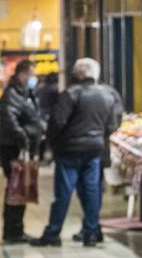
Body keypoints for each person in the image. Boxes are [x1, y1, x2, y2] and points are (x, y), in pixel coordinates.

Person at [37, 58, 123, 247]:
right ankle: (91, 232)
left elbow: (57, 122)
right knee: (92, 191)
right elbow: (114, 123)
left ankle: (53, 232)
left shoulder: (71, 94)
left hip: (69, 150)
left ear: (80, 73)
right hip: (95, 150)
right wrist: (100, 136)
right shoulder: (109, 94)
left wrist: (53, 143)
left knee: (63, 193)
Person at [0, 59, 44, 245]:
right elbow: (11, 121)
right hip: (14, 148)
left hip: (24, 147)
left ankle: (17, 229)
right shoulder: (12, 94)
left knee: (22, 187)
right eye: (32, 75)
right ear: (22, 74)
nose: (34, 79)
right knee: (15, 186)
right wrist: (25, 140)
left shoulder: (26, 93)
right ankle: (12, 231)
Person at [33, 72, 60, 162]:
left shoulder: (41, 88)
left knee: (41, 137)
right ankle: (52, 157)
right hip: (51, 114)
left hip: (41, 114)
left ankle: (40, 155)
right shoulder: (55, 89)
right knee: (52, 136)